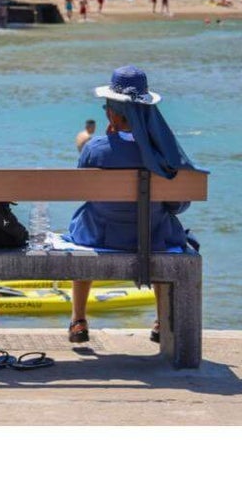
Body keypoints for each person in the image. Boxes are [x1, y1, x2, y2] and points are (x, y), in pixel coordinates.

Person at [62, 65, 198, 347]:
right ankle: (161, 320)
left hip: (100, 236)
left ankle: (78, 319)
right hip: (152, 237)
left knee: (83, 226)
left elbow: (84, 192)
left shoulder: (95, 149)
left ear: (112, 113)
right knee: (163, 231)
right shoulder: (163, 152)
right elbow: (178, 204)